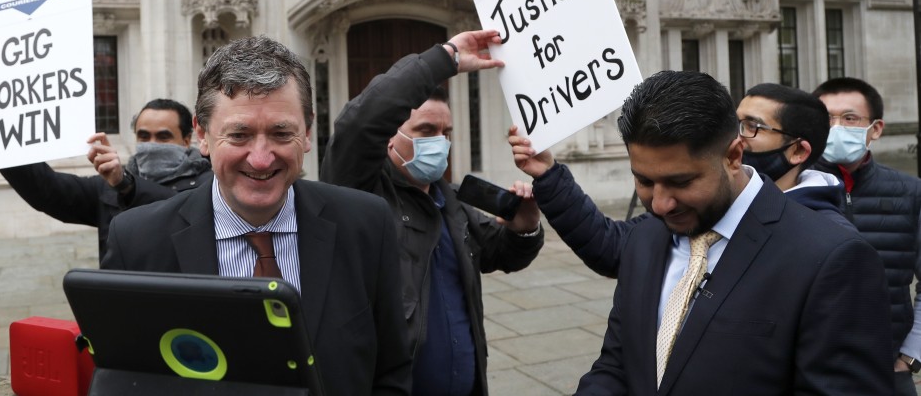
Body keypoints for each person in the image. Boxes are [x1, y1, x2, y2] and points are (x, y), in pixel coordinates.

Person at [519, 70, 890, 394]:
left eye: (680, 182)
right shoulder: (647, 238)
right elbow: (618, 365)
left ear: (733, 156)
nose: (661, 204)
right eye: (644, 181)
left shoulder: (831, 258)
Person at [101, 36, 411, 396]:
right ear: (202, 136)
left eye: (281, 133)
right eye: (240, 135)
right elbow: (123, 382)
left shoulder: (366, 223)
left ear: (307, 132)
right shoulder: (138, 242)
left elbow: (391, 371)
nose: (261, 158)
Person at [319, 29, 543, 396]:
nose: (440, 142)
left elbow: (500, 252)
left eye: (445, 131)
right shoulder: (361, 194)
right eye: (426, 130)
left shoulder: (450, 201)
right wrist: (445, 58)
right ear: (389, 138)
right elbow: (358, 125)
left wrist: (525, 227)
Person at [514, 81, 849, 280]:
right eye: (735, 122)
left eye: (752, 127)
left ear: (798, 151)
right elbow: (611, 247)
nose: (663, 203)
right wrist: (549, 174)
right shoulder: (693, 208)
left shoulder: (831, 245)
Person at [0, 77, 211, 260]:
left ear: (187, 139)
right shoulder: (109, 185)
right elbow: (46, 190)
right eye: (144, 136)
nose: (152, 145)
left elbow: (178, 210)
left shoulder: (209, 183)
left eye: (163, 137)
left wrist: (126, 185)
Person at [813, 76, 921, 395]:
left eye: (849, 119)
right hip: (811, 368)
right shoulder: (788, 190)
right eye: (825, 119)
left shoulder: (910, 192)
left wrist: (911, 356)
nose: (836, 128)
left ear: (875, 129)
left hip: (888, 368)